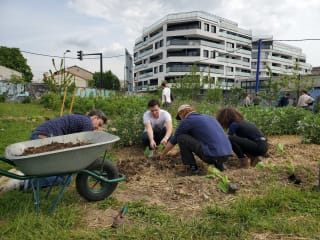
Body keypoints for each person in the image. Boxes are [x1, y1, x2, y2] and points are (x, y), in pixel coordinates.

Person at [25, 109, 107, 190]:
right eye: (99, 124)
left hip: (39, 136)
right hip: (44, 139)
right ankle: (26, 182)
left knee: (63, 176)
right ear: (95, 117)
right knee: (65, 179)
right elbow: (84, 146)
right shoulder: (87, 122)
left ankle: (30, 176)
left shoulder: (80, 119)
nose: (97, 128)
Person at [160, 104, 232, 175]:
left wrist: (163, 154)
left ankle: (191, 168)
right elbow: (197, 141)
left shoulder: (187, 121)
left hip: (212, 156)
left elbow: (174, 139)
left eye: (180, 117)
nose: (181, 119)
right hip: (226, 154)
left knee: (181, 137)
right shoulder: (209, 117)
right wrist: (179, 152)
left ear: (181, 113)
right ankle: (220, 166)